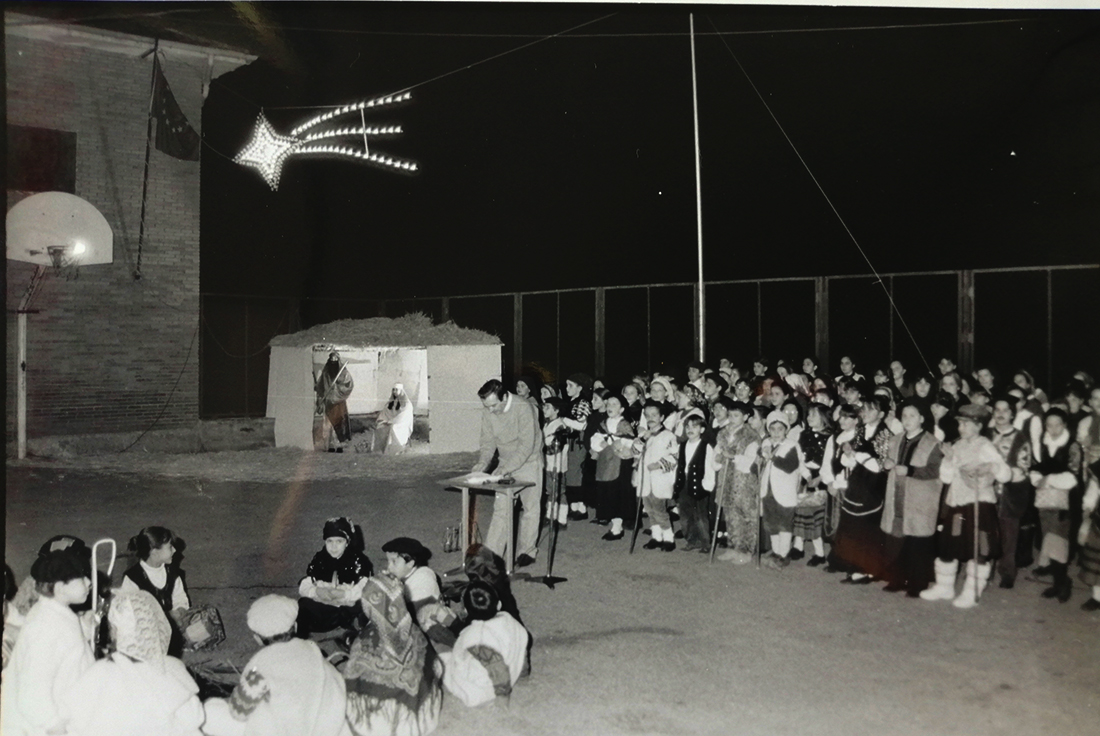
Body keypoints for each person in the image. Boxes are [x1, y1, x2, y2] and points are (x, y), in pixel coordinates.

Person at [203, 595, 352, 736]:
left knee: (212, 710)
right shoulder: (311, 648)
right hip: (332, 726)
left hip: (297, 730)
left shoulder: (259, 664)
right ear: (295, 626)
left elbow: (239, 711)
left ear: (258, 639)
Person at [62, 589, 204, 736]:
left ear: (115, 631)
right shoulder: (173, 670)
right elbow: (193, 719)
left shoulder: (99, 672)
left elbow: (71, 719)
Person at [921, 404, 1011, 609]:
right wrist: (949, 459)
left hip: (979, 505)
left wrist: (990, 467)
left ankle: (972, 591)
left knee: (979, 548)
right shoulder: (956, 445)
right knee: (949, 545)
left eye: (966, 424)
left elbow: (1005, 474)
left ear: (978, 426)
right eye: (960, 424)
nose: (961, 428)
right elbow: (945, 477)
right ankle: (945, 586)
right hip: (957, 505)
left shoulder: (986, 446)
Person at [1, 546, 95, 736]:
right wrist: (54, 725)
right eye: (82, 579)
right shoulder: (45, 626)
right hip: (41, 728)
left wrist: (84, 628)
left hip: (65, 711)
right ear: (60, 588)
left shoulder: (56, 612)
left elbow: (67, 653)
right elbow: (32, 693)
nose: (89, 583)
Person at [342, 573, 444, 736]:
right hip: (420, 718)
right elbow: (435, 666)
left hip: (376, 721)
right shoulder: (414, 630)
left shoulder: (363, 641)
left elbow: (350, 678)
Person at [471, 379, 544, 569]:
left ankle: (527, 551)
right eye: (487, 406)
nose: (491, 410)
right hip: (505, 461)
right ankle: (492, 556)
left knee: (530, 508)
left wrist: (506, 468)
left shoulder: (523, 407)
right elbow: (487, 442)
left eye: (494, 405)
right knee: (501, 510)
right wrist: (483, 463)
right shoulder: (488, 410)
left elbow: (526, 445)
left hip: (529, 461)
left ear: (504, 397)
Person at [879, 400, 944, 597]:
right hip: (897, 496)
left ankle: (918, 582)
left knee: (917, 542)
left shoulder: (932, 443)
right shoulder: (895, 439)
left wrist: (910, 470)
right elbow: (887, 462)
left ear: (922, 419)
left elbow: (936, 470)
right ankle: (897, 578)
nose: (907, 419)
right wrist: (887, 463)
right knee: (897, 539)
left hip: (919, 500)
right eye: (904, 415)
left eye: (912, 415)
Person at [440, 582, 530, 708]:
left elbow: (497, 668)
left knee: (440, 662)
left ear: (464, 611)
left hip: (485, 688)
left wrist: (502, 697)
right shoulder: (510, 620)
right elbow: (522, 647)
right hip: (511, 670)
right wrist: (522, 671)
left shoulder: (478, 636)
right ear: (499, 604)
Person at [1029, 408, 1082, 603]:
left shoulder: (1072, 446)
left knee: (1059, 542)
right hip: (1045, 500)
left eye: (1057, 424)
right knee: (1048, 539)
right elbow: (1035, 467)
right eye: (1049, 424)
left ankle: (1063, 583)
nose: (1053, 428)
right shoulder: (1042, 444)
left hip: (1065, 503)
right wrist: (1037, 479)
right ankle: (1057, 581)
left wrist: (1048, 479)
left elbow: (1073, 475)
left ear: (1064, 425)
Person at [297, 517, 373, 642]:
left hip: (348, 605)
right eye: (329, 541)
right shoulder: (320, 559)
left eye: (339, 542)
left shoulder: (358, 561)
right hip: (327, 606)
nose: (333, 547)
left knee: (366, 602)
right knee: (303, 604)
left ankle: (353, 623)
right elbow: (304, 585)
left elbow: (365, 586)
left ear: (347, 542)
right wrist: (316, 592)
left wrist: (345, 594)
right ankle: (339, 622)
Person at [986, 398, 1035, 589]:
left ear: (1012, 414)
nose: (1001, 413)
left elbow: (1023, 468)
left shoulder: (1021, 438)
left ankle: (1007, 571)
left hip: (1010, 494)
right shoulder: (987, 435)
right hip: (987, 491)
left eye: (1005, 410)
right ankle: (985, 569)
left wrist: (1006, 473)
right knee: (987, 533)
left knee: (1009, 536)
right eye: (997, 410)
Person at [121, 526, 191, 656]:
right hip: (145, 633)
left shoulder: (173, 574)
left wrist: (180, 610)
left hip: (170, 629)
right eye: (170, 547)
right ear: (155, 553)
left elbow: (181, 599)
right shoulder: (133, 578)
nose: (175, 550)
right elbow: (130, 614)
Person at [381, 537, 458, 648]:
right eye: (388, 561)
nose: (389, 567)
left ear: (410, 563)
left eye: (394, 562)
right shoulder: (410, 574)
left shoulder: (423, 581)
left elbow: (410, 616)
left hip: (430, 630)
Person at [714, 401, 762, 564]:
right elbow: (717, 453)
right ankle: (733, 546)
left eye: (736, 416)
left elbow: (750, 461)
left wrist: (733, 457)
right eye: (730, 415)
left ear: (746, 417)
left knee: (746, 515)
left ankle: (747, 550)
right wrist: (719, 457)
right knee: (730, 513)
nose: (732, 419)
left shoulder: (751, 436)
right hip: (726, 478)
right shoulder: (722, 433)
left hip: (743, 480)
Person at [758, 411, 804, 569]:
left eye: (780, 429)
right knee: (772, 523)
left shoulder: (792, 446)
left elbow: (790, 466)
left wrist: (772, 457)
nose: (776, 433)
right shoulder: (766, 444)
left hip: (785, 492)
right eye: (772, 429)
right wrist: (761, 456)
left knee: (784, 523)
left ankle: (784, 554)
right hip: (768, 491)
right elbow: (758, 465)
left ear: (786, 430)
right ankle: (776, 551)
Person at [589, 393, 637, 540]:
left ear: (622, 409)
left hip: (620, 463)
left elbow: (630, 440)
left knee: (618, 493)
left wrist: (620, 444)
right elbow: (596, 437)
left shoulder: (624, 424)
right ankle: (612, 522)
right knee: (607, 492)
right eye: (608, 404)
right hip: (605, 462)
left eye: (614, 404)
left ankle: (617, 527)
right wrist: (599, 443)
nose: (610, 407)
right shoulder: (603, 424)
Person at [634, 400, 680, 552]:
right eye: (647, 415)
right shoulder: (643, 435)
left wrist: (660, 464)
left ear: (662, 417)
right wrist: (641, 440)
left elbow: (675, 456)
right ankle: (656, 536)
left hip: (659, 478)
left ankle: (668, 538)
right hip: (645, 479)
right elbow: (635, 453)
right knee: (649, 510)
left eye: (654, 415)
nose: (650, 418)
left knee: (660, 510)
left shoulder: (668, 436)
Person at [792, 403, 833, 566]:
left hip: (819, 479)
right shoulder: (803, 435)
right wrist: (806, 474)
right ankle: (798, 546)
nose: (809, 418)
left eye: (813, 415)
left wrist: (820, 477)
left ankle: (819, 552)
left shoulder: (830, 437)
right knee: (800, 511)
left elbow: (829, 460)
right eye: (808, 415)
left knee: (815, 515)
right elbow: (799, 458)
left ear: (823, 418)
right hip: (805, 476)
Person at [674, 415, 716, 552]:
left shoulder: (706, 447)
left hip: (699, 483)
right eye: (688, 427)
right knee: (685, 514)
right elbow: (679, 465)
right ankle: (691, 540)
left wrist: (707, 485)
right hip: (683, 483)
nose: (690, 429)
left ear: (702, 429)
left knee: (700, 515)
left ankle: (705, 543)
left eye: (695, 426)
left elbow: (709, 467)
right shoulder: (682, 445)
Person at [561, 373, 594, 521]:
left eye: (571, 385)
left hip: (579, 443)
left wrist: (564, 420)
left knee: (577, 473)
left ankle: (582, 507)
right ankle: (574, 506)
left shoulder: (583, 403)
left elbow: (582, 425)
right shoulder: (571, 402)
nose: (567, 388)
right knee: (570, 473)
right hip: (571, 442)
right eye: (567, 385)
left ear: (580, 388)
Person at [316, 350, 354, 452]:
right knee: (328, 425)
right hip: (328, 402)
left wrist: (337, 385)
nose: (333, 360)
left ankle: (340, 446)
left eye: (335, 359)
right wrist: (319, 396)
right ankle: (330, 446)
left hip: (338, 403)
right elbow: (320, 387)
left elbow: (349, 385)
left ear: (338, 359)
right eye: (332, 358)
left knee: (339, 423)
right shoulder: (326, 372)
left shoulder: (343, 372)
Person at [542, 397, 570, 528]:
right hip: (547, 463)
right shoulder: (547, 423)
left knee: (559, 492)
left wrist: (540, 447)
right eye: (544, 406)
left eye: (548, 407)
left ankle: (562, 519)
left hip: (557, 465)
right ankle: (550, 516)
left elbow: (554, 448)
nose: (544, 409)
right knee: (550, 491)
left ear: (557, 410)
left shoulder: (560, 426)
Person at [373, 383, 413, 454]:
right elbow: (386, 412)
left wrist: (391, 421)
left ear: (401, 391)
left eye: (396, 390)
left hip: (401, 424)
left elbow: (403, 416)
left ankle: (396, 448)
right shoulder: (392, 402)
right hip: (391, 421)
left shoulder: (407, 404)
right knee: (380, 426)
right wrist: (382, 420)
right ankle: (382, 448)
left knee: (393, 428)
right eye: (393, 390)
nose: (394, 391)